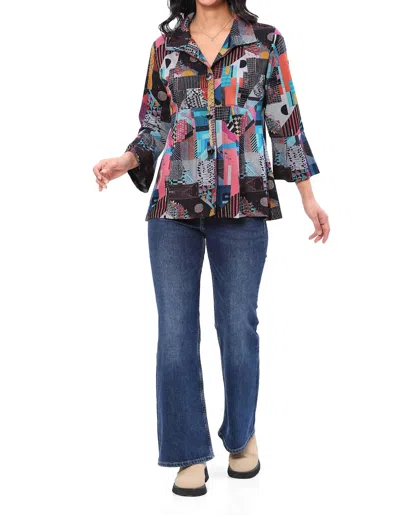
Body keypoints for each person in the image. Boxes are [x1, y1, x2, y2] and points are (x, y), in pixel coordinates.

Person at [92, 0, 330, 497]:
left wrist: (309, 198)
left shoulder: (264, 42)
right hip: (173, 207)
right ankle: (188, 453)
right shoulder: (166, 47)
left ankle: (241, 436)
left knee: (238, 329)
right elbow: (155, 123)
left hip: (244, 203)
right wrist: (126, 159)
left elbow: (285, 122)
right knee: (175, 334)